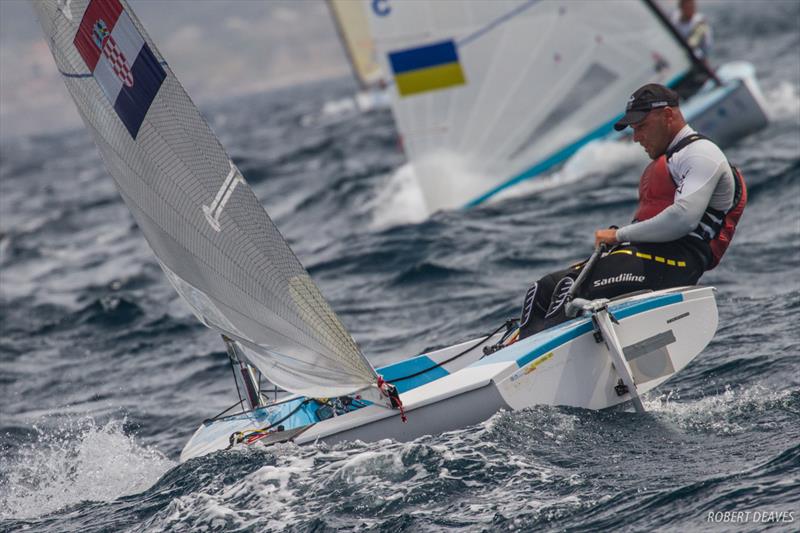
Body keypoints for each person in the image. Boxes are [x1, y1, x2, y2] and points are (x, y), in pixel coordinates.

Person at [517, 83, 746, 339]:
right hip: (646, 259)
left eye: (641, 127)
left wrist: (619, 236)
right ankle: (511, 358)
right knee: (543, 288)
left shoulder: (701, 154)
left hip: (677, 263)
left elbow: (683, 219)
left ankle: (539, 364)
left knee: (571, 289)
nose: (635, 138)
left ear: (668, 116)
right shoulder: (671, 159)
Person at [671, 0, 714, 99]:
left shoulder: (700, 22)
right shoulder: (674, 18)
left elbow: (692, 43)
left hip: (698, 63)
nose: (691, 9)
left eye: (692, 6)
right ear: (681, 7)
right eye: (688, 7)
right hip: (680, 66)